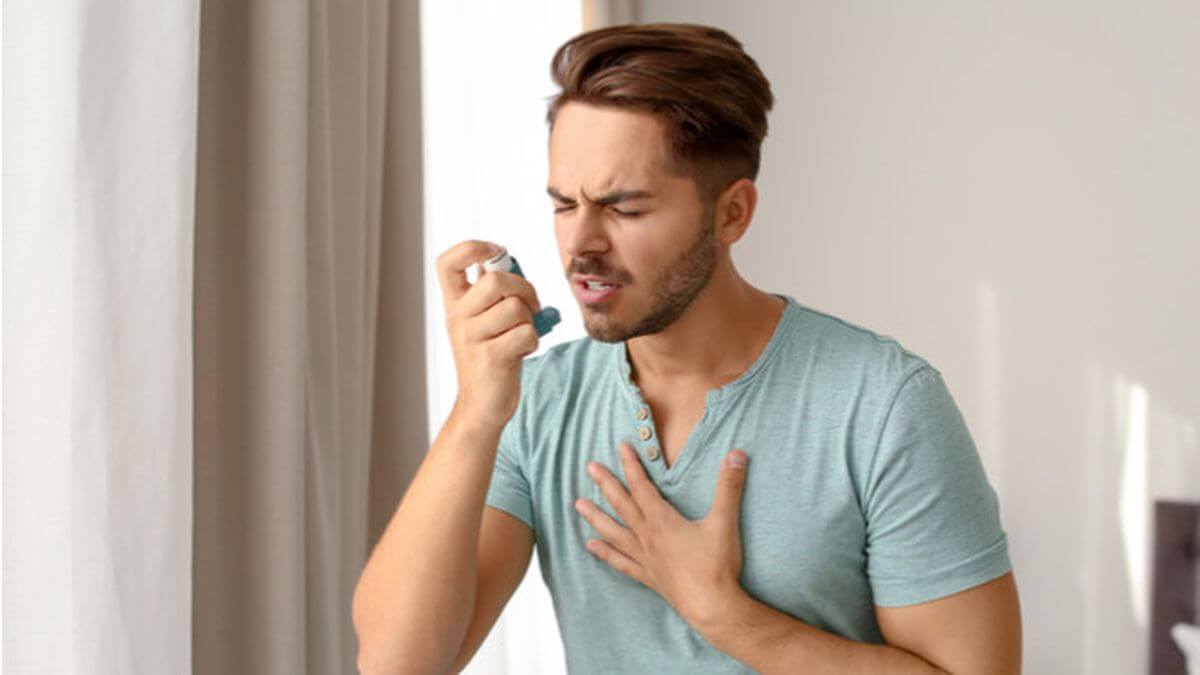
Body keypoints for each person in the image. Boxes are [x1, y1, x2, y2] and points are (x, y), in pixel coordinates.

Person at [353, 22, 1022, 674]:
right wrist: (476, 410)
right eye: (564, 204)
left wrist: (728, 616)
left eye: (625, 208)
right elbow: (396, 663)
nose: (580, 245)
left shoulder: (882, 404)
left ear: (732, 212)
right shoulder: (538, 403)